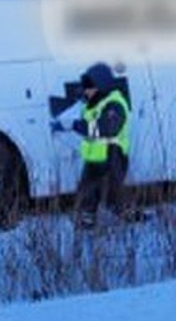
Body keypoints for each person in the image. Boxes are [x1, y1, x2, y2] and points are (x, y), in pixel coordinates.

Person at [52, 61, 133, 231]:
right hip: (97, 156)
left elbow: (106, 128)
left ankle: (129, 218)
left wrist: (74, 125)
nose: (86, 91)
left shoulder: (114, 104)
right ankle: (87, 220)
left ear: (101, 85)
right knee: (88, 190)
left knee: (111, 192)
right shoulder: (97, 102)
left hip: (112, 155)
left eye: (89, 86)